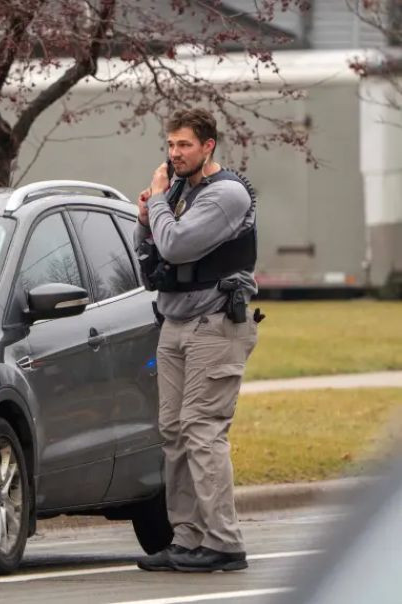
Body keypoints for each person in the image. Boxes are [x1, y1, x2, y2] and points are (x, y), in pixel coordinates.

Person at [134, 108, 262, 573]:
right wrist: (146, 216)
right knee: (173, 433)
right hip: (174, 323)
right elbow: (150, 249)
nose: (175, 153)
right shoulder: (179, 191)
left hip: (215, 324)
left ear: (208, 146)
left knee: (202, 431)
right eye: (170, 145)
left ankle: (224, 542)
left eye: (184, 145)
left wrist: (161, 202)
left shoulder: (226, 194)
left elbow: (177, 246)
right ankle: (186, 539)